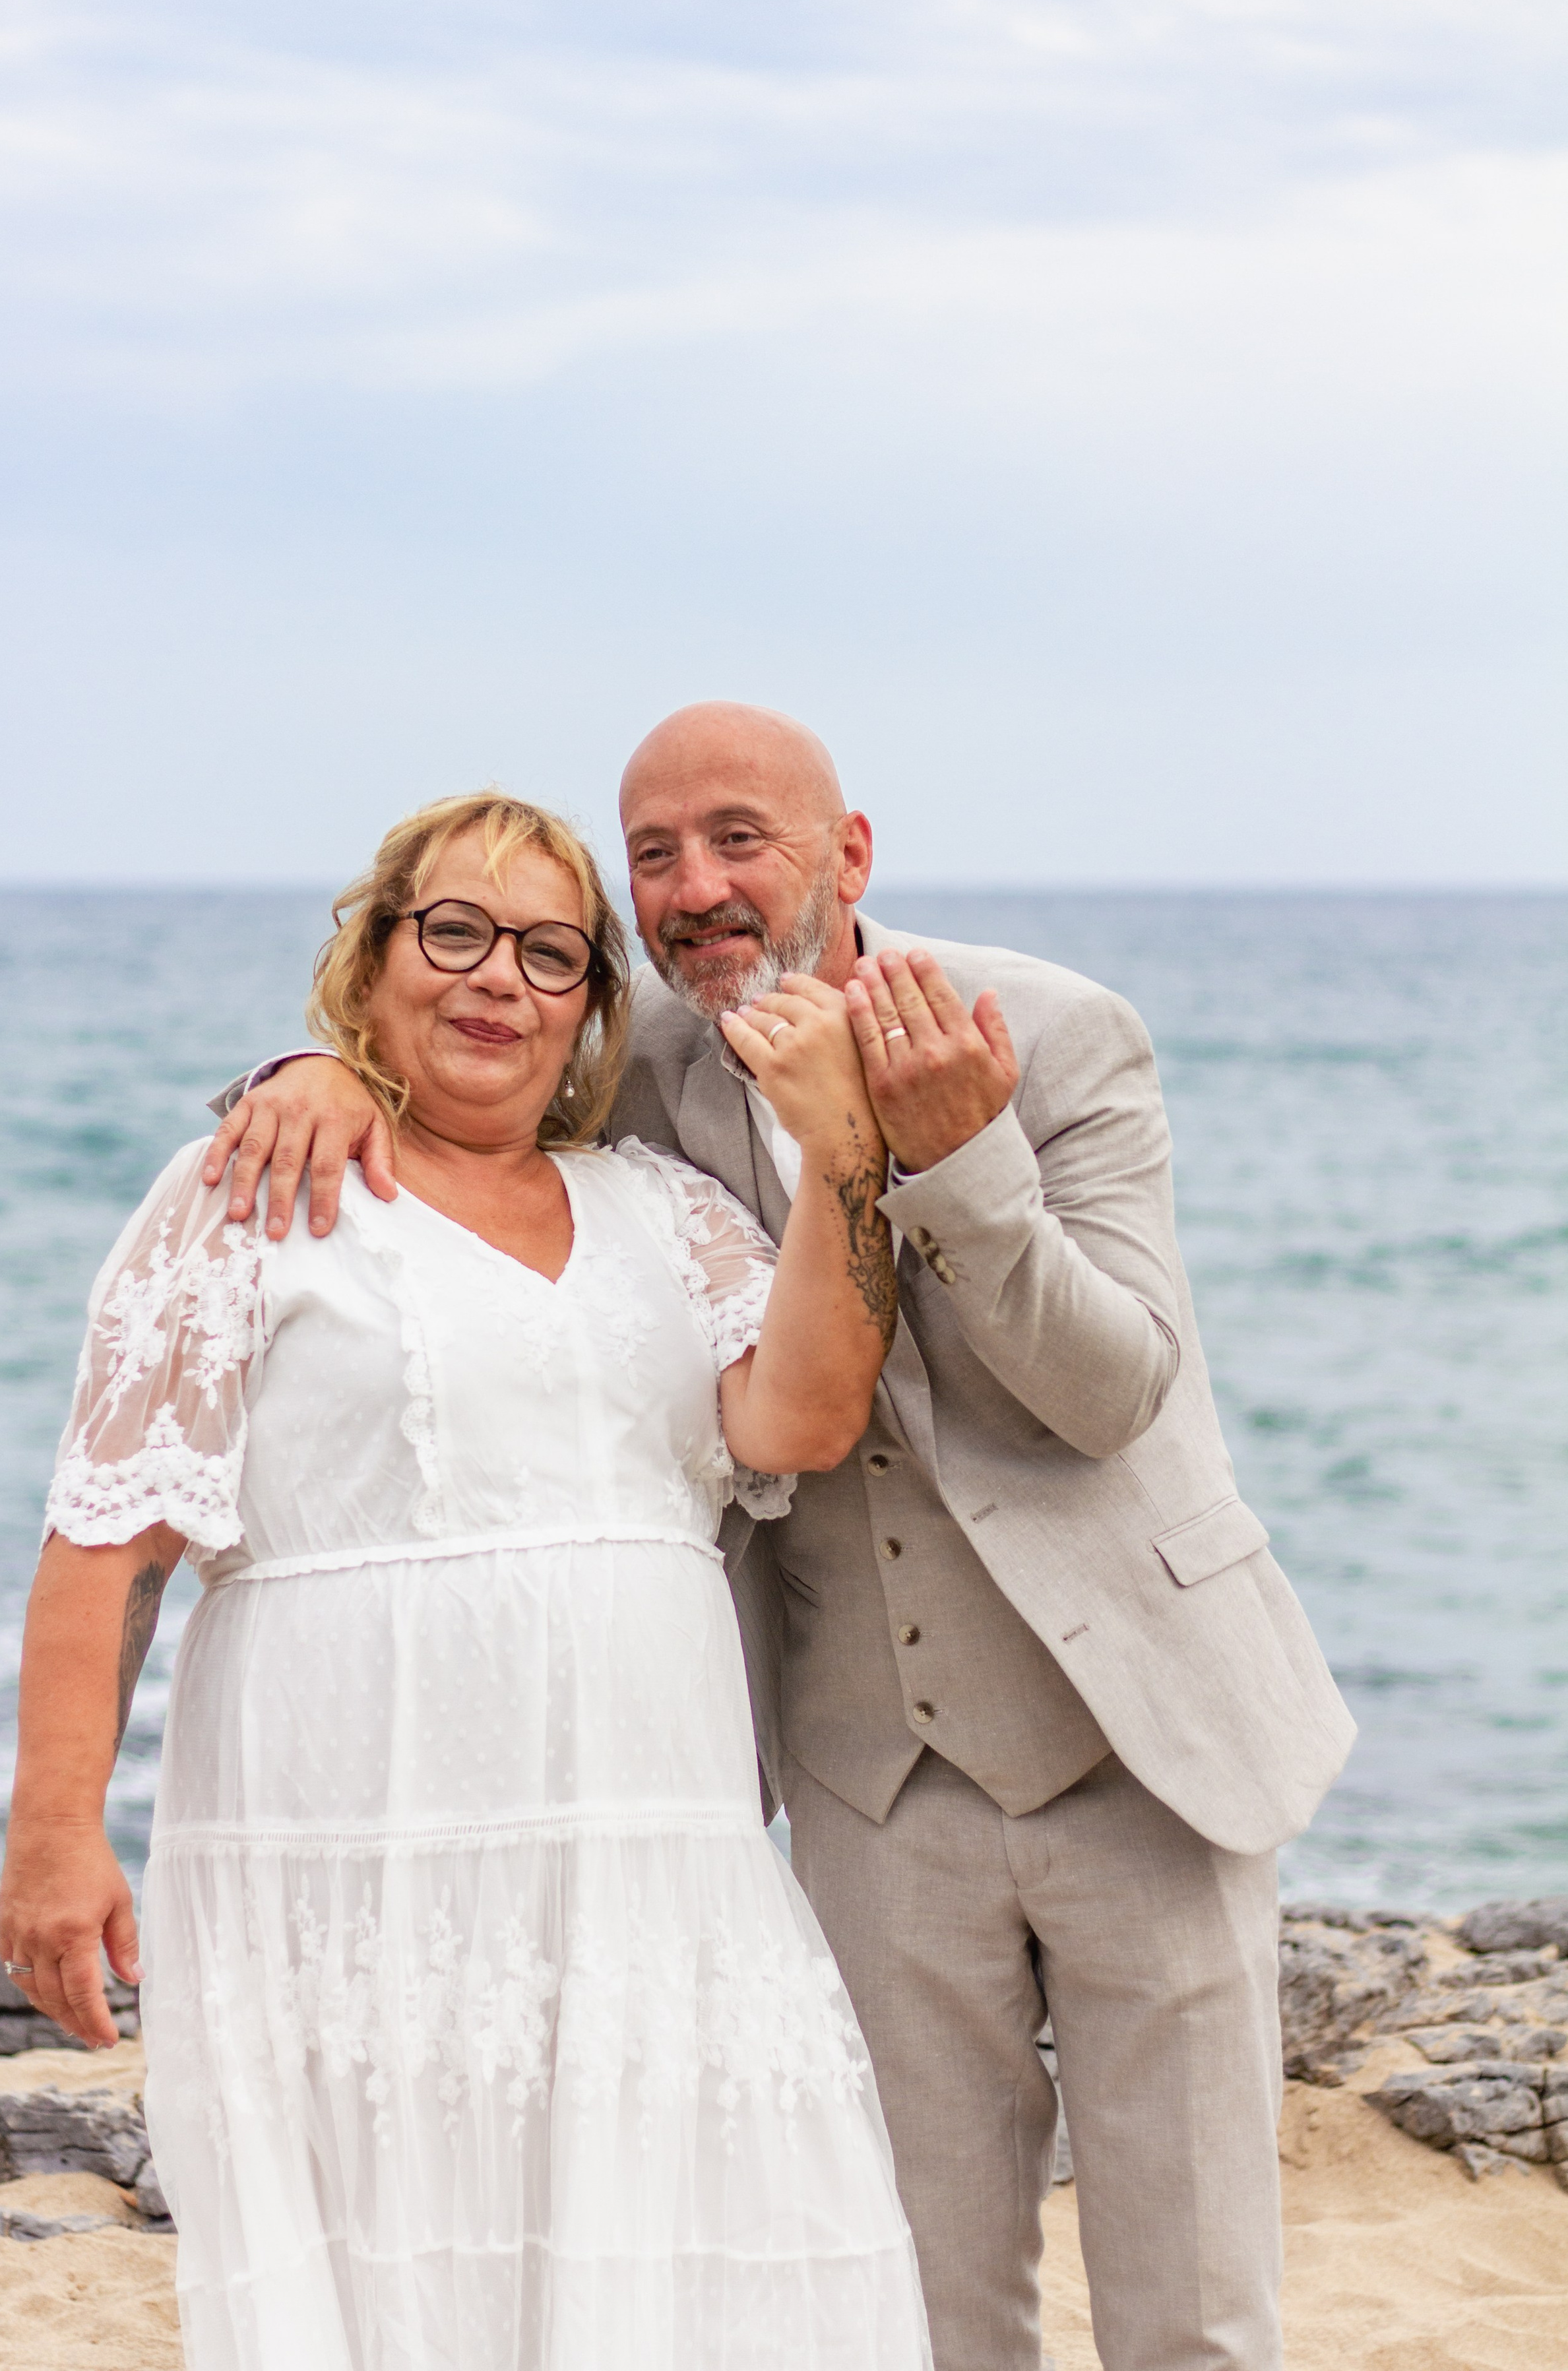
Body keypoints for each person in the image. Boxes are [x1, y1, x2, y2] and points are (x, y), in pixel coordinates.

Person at [214, 708, 1358, 2371]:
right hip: (864, 1773)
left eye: (739, 837)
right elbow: (457, 1071)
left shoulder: (1053, 1033)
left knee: (1195, 2313)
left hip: (1144, 1743)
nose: (695, 886)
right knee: (915, 2300)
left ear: (851, 857)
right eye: (656, 852)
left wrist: (960, 1158)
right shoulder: (641, 1077)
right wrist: (301, 1070)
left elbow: (1113, 1395)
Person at [0, 790, 933, 2371]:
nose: (497, 977)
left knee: (715, 2279)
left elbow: (805, 1412)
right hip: (352, 1868)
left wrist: (845, 1149)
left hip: (651, 1878)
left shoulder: (666, 1210)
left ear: (585, 1012)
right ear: (371, 967)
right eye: (453, 932)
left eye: (549, 953)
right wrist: (50, 1835)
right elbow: (111, 1535)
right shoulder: (250, 1192)